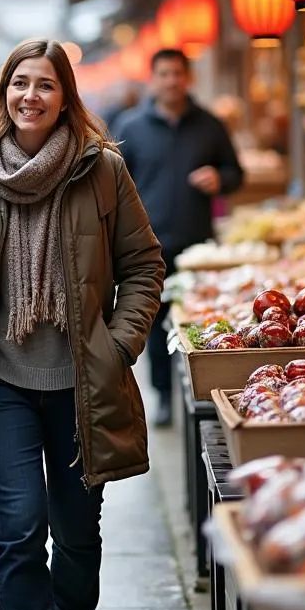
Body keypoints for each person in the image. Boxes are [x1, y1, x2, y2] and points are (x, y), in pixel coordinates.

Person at [0, 39, 164, 610]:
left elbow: (144, 267)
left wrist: (115, 346)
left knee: (77, 532)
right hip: (3, 380)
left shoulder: (103, 171)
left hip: (80, 383)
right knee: (19, 526)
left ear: (65, 97)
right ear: (4, 94)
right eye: (18, 84)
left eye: (44, 85)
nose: (29, 96)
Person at [110, 49, 244, 428]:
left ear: (189, 78)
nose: (171, 81)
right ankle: (164, 396)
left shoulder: (211, 125)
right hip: (145, 247)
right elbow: (110, 184)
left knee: (201, 321)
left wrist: (221, 179)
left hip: (199, 247)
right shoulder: (130, 127)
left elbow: (236, 172)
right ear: (153, 79)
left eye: (177, 74)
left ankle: (205, 392)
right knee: (152, 323)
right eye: (164, 74)